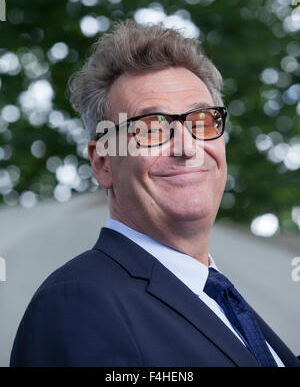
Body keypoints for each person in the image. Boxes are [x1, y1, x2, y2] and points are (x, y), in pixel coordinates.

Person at [10, 20, 300, 367]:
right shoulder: (77, 302)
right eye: (151, 128)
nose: (188, 148)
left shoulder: (222, 300)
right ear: (103, 163)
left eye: (202, 121)